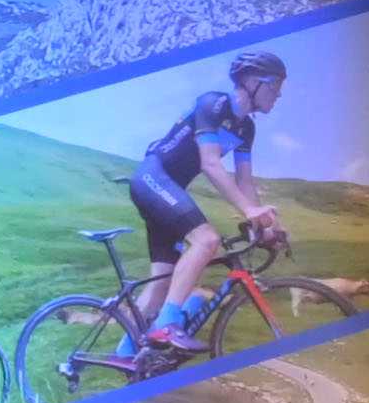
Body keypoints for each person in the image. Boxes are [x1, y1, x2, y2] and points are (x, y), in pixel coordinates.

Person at [125, 52, 292, 356]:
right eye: (275, 85)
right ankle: (166, 325)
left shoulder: (246, 129)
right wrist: (249, 211)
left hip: (168, 190)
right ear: (252, 82)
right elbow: (211, 164)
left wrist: (264, 226)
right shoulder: (212, 104)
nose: (279, 94)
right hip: (153, 178)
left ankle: (124, 356)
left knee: (162, 282)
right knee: (207, 240)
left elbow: (244, 182)